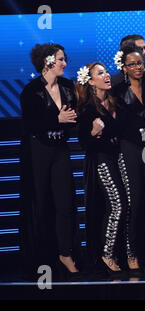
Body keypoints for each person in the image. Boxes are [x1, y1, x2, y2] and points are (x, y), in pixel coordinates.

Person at [19, 43, 80, 280]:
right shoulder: (31, 90)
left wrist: (68, 120)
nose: (65, 63)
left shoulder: (67, 86)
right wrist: (57, 118)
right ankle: (42, 257)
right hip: (38, 151)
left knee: (65, 203)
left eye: (65, 59)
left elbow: (72, 117)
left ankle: (66, 253)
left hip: (60, 150)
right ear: (48, 62)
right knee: (41, 205)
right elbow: (30, 123)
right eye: (61, 59)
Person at [76, 62, 127, 275]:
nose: (106, 75)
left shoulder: (115, 102)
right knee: (117, 205)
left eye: (106, 71)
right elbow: (83, 142)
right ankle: (106, 253)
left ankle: (120, 252)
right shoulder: (88, 109)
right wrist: (94, 132)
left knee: (124, 204)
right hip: (101, 160)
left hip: (118, 159)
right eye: (100, 73)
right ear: (90, 81)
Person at [112, 44, 145, 274]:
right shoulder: (116, 89)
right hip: (129, 148)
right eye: (132, 64)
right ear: (124, 67)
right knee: (133, 200)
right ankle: (131, 252)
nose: (137, 67)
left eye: (140, 63)